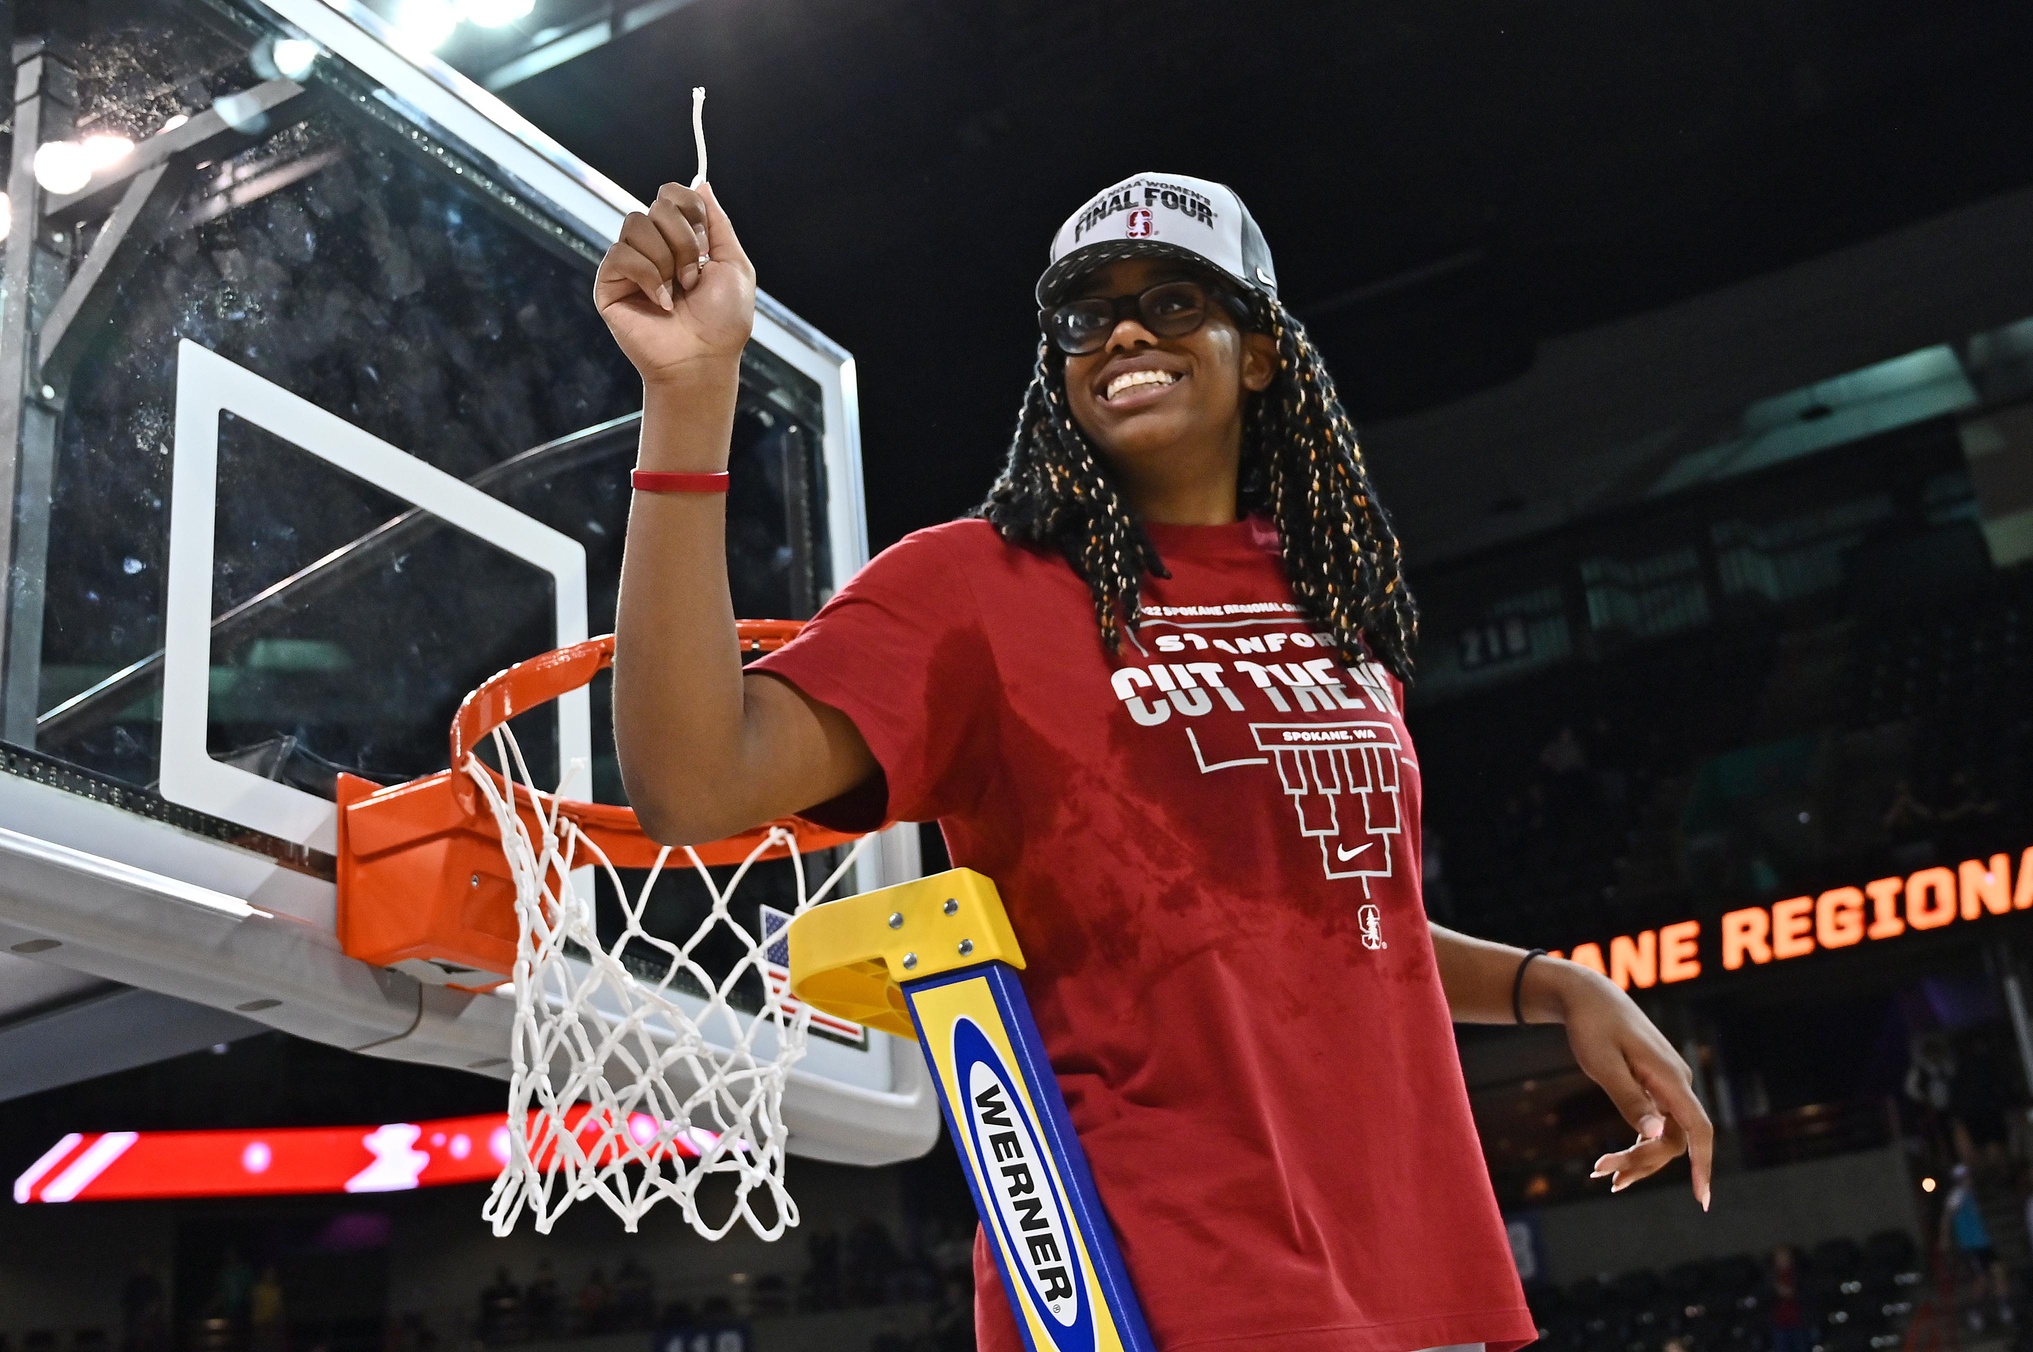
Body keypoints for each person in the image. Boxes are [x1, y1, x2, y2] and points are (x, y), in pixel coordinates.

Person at [600, 169, 1713, 1352]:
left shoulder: (1331, 615)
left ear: (1262, 352)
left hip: (1415, 1273)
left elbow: (1324, 925)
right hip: (1150, 1289)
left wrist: (1552, 983)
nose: (1125, 328)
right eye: (1088, 311)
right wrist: (691, 393)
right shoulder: (973, 590)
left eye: (1175, 299)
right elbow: (692, 783)